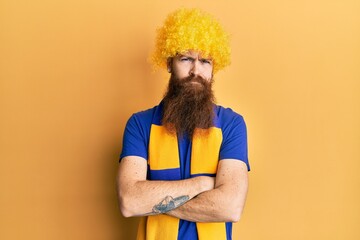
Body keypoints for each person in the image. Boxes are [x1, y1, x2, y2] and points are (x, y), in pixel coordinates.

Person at [117, 8, 250, 240]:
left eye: (205, 61)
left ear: (213, 68)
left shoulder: (232, 125)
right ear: (169, 63)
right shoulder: (139, 124)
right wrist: (201, 184)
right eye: (186, 58)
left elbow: (230, 207)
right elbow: (130, 201)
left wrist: (151, 199)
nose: (195, 71)